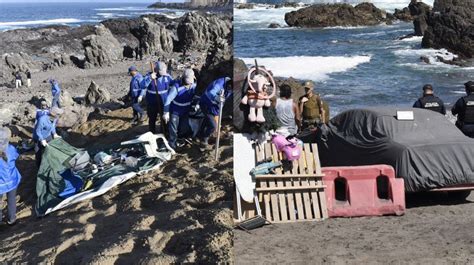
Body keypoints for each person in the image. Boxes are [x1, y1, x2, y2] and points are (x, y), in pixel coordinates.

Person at [163, 69, 196, 150]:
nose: (189, 83)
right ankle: (172, 143)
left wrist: (196, 104)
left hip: (186, 110)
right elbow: (168, 100)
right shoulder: (176, 87)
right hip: (175, 111)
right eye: (187, 81)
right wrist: (166, 112)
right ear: (183, 78)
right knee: (173, 128)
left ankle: (180, 139)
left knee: (183, 126)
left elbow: (196, 95)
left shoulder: (194, 85)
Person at [198, 77, 232, 148]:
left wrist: (219, 110)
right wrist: (217, 98)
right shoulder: (219, 83)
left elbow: (223, 100)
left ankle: (200, 134)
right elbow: (212, 92)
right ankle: (204, 140)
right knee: (213, 125)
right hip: (206, 103)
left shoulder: (231, 88)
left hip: (215, 106)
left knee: (208, 121)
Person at [141, 61, 174, 134]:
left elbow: (174, 84)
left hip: (163, 103)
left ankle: (164, 133)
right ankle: (152, 133)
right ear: (156, 70)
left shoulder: (167, 77)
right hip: (152, 103)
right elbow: (142, 85)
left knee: (164, 119)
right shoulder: (149, 76)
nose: (162, 75)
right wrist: (149, 78)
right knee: (152, 119)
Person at [0, 127, 21, 226]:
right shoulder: (11, 149)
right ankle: (12, 219)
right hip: (12, 179)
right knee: (11, 200)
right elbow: (16, 156)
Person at [33, 101, 60, 167]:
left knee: (49, 151)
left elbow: (53, 126)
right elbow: (38, 131)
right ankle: (38, 167)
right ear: (53, 114)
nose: (58, 116)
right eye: (58, 114)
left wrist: (54, 134)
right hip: (38, 138)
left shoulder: (55, 119)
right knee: (38, 153)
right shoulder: (42, 120)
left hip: (48, 136)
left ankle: (48, 165)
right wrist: (42, 140)